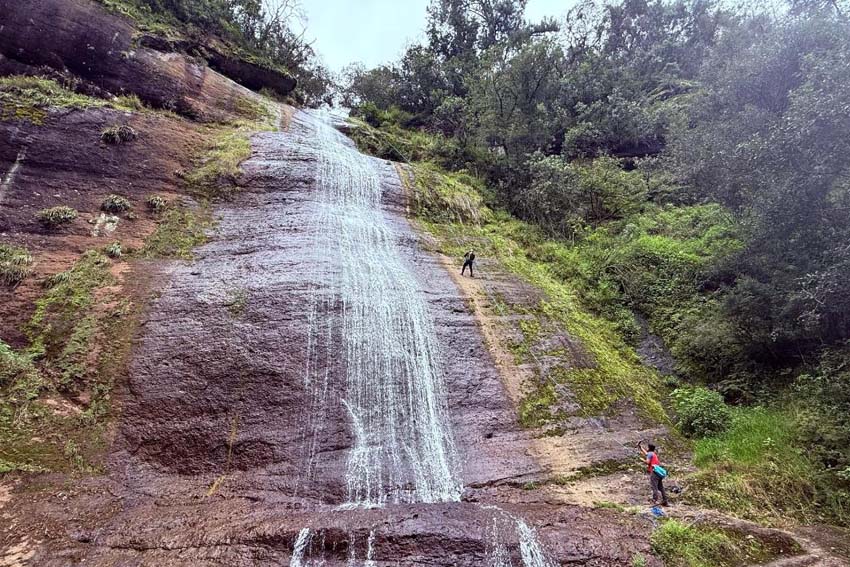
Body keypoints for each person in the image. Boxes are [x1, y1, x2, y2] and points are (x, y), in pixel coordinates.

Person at [639, 442, 669, 506]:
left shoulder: (650, 454)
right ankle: (665, 501)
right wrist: (640, 447)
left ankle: (654, 500)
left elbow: (647, 462)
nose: (646, 448)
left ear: (649, 448)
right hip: (658, 473)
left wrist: (642, 460)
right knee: (661, 487)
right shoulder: (653, 454)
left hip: (654, 473)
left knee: (654, 487)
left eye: (647, 447)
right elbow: (646, 454)